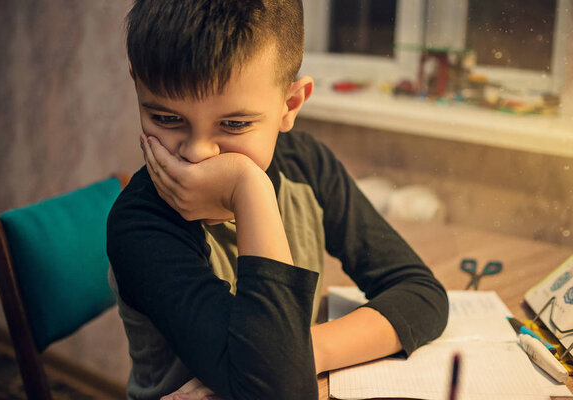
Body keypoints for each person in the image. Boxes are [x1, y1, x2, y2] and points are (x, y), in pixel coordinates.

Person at [106, 1, 449, 399]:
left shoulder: (305, 164)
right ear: (136, 83)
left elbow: (422, 293)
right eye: (165, 118)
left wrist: (304, 353)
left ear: (290, 105)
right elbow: (279, 392)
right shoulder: (142, 225)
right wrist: (248, 188)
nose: (198, 154)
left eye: (234, 124)